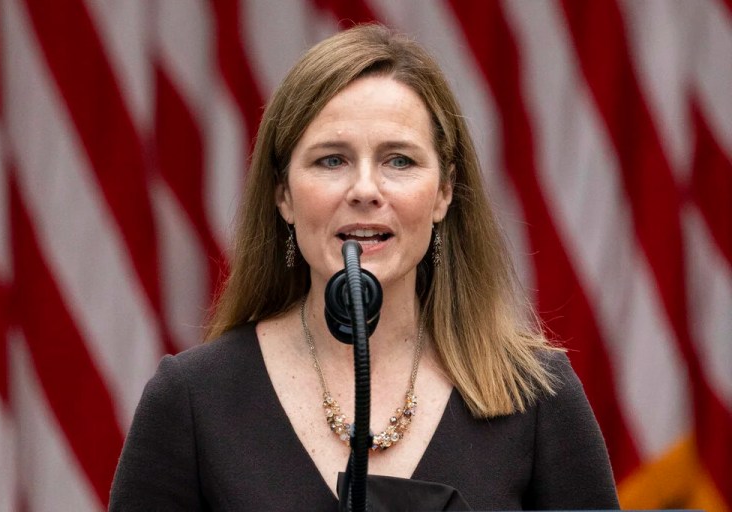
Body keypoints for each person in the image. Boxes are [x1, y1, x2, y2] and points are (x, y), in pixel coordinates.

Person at [109, 23, 619, 511]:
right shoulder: (192, 400)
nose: (365, 190)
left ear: (443, 193)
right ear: (283, 194)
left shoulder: (536, 398)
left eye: (399, 160)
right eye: (332, 160)